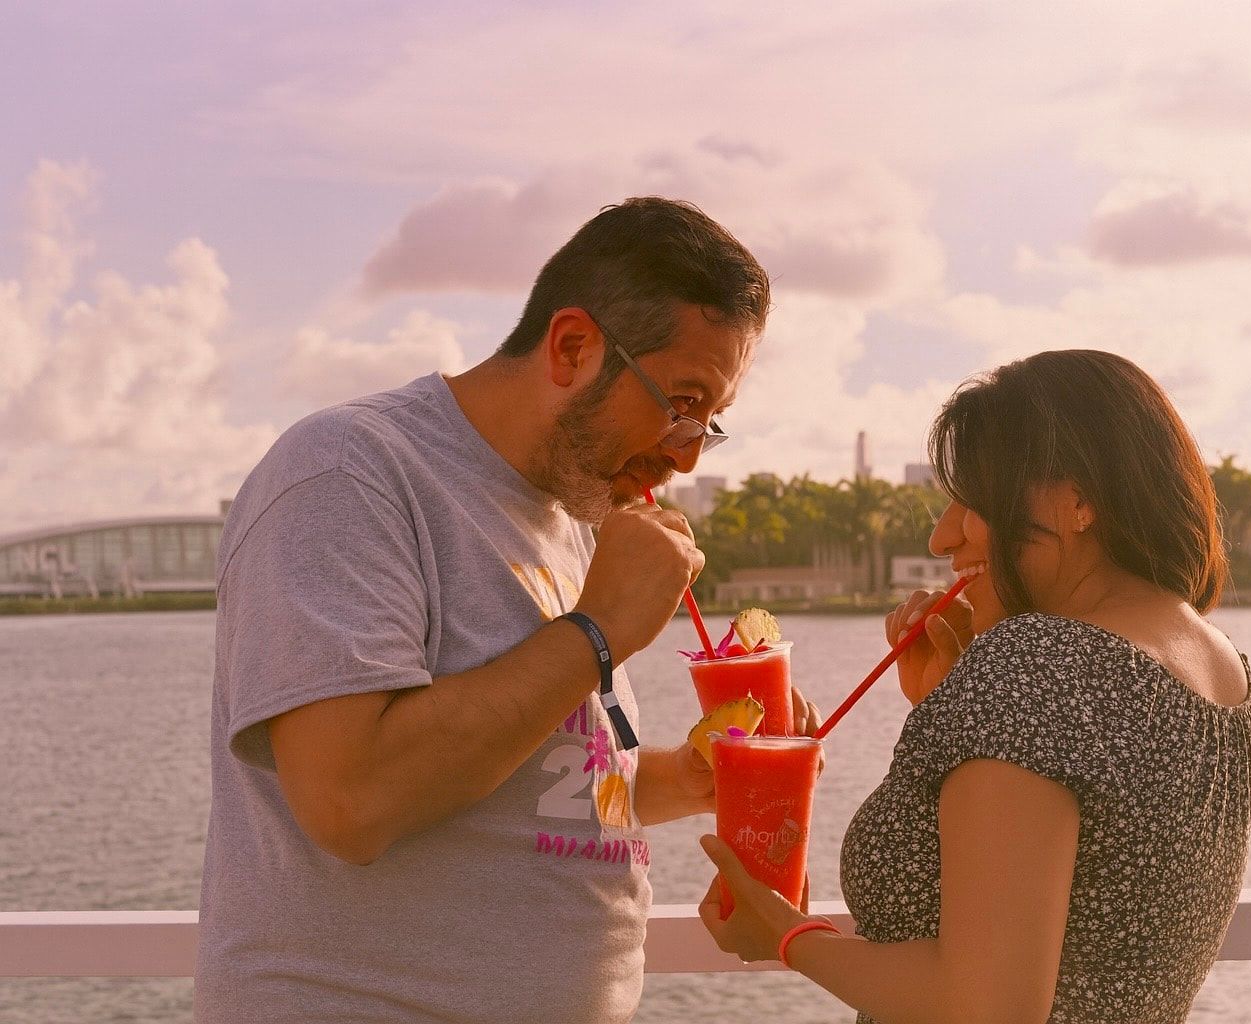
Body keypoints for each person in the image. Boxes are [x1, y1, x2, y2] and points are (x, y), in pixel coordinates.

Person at [195, 197, 803, 1024]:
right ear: (574, 347)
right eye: (683, 401)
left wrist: (686, 778)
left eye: (712, 420)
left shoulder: (574, 514)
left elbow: (557, 781)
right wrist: (597, 632)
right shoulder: (347, 473)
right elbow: (351, 800)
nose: (690, 451)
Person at [699, 350, 1251, 1024]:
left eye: (974, 501)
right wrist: (953, 711)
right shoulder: (1221, 665)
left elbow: (988, 1008)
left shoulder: (1035, 668)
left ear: (1077, 502)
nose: (943, 537)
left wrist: (787, 937)